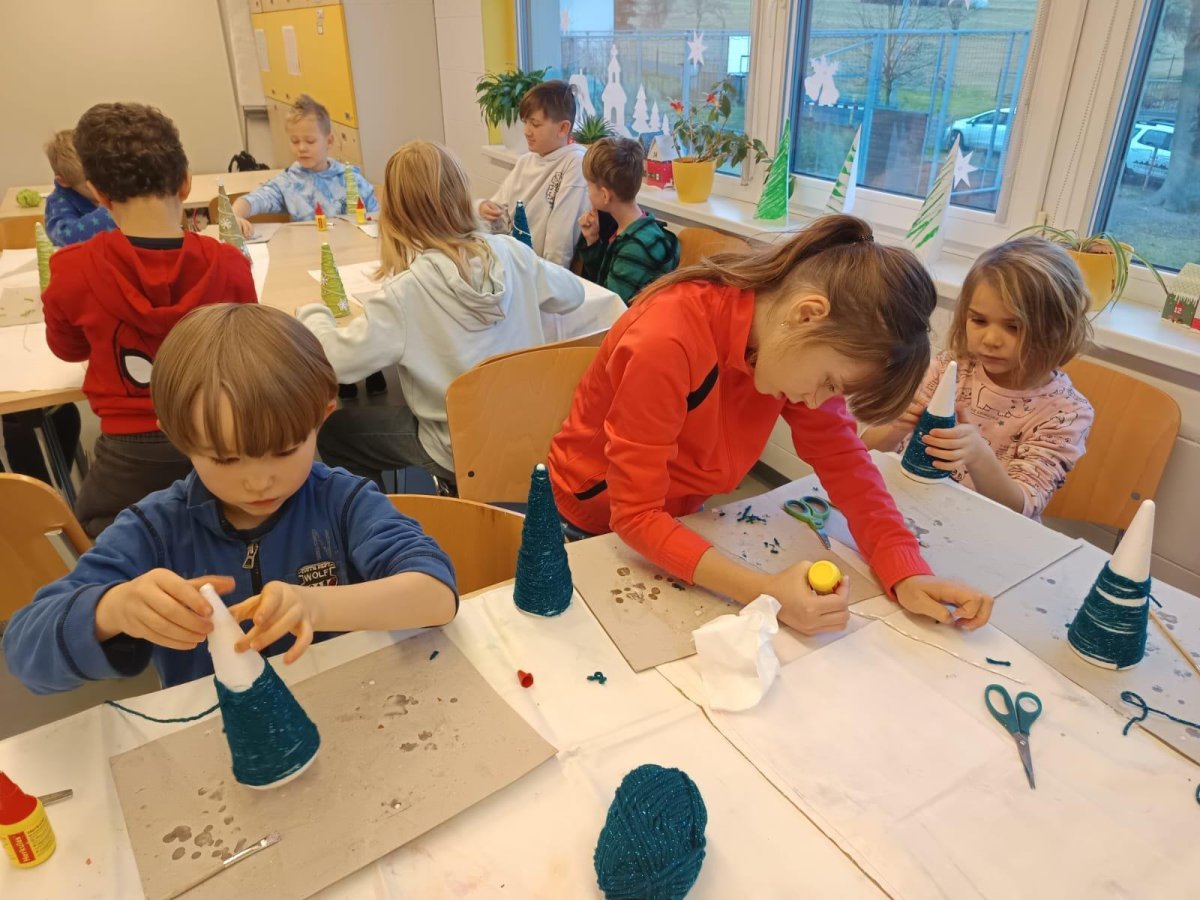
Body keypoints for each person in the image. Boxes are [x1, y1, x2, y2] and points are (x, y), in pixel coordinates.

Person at [548, 214, 994, 636]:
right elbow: (636, 515)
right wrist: (766, 591)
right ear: (807, 314)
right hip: (589, 521)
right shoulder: (665, 340)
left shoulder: (793, 339)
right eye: (829, 383)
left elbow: (843, 458)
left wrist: (905, 566)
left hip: (680, 516)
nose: (820, 402)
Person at [3, 304, 458, 695]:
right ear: (179, 438)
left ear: (321, 419)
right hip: (221, 730)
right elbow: (25, 655)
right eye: (225, 459)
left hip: (349, 703)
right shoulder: (154, 529)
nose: (258, 482)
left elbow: (436, 594)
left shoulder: (342, 501)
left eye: (285, 450)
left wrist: (317, 606)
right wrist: (112, 609)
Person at [302, 141, 584, 488]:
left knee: (336, 433)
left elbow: (336, 363)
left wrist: (313, 315)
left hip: (457, 450)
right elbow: (573, 295)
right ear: (463, 195)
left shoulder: (406, 292)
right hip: (530, 433)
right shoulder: (513, 253)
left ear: (396, 214)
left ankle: (373, 515)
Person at [40, 102, 258, 537]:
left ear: (100, 195)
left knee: (102, 537)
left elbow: (67, 348)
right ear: (185, 183)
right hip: (222, 441)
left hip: (128, 457)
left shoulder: (72, 269)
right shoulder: (229, 264)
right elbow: (249, 349)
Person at [861, 236, 1093, 519]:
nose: (991, 339)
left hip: (986, 528)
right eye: (979, 320)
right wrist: (895, 428)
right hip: (910, 509)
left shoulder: (1066, 413)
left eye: (1014, 327)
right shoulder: (948, 369)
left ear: (1058, 329)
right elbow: (864, 449)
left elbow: (1023, 506)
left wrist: (979, 456)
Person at [478, 80, 590, 268]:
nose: (526, 131)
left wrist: (546, 279)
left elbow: (559, 243)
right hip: (510, 262)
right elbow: (500, 213)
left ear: (563, 128)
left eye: (535, 124)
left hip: (540, 272)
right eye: (525, 122)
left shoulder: (575, 164)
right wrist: (484, 208)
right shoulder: (525, 161)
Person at [232, 94, 378, 233]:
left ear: (329, 141)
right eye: (295, 141)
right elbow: (254, 200)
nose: (301, 148)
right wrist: (235, 215)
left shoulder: (351, 178)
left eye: (310, 141)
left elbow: (379, 219)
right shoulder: (288, 181)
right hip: (311, 248)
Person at [576, 137, 679, 305]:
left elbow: (610, 307)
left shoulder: (634, 250)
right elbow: (603, 285)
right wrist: (592, 240)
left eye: (589, 186)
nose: (587, 191)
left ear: (605, 195)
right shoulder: (634, 228)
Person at [41, 129, 116, 246]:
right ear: (64, 181)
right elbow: (65, 237)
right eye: (93, 185)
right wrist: (112, 213)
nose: (105, 188)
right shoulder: (58, 202)